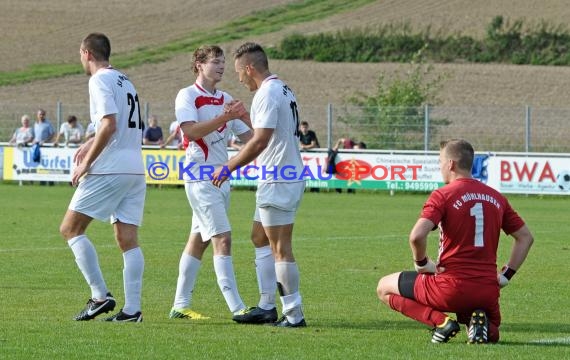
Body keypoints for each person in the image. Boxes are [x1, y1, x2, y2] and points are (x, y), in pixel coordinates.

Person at [376, 139, 533, 344]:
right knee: (491, 330)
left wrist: (422, 264)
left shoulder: (443, 195)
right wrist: (506, 276)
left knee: (383, 288)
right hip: (487, 290)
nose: (439, 166)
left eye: (440, 161)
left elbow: (417, 235)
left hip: (450, 287)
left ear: (450, 164)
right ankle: (480, 326)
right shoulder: (497, 197)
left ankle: (441, 323)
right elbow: (526, 237)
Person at [212, 42, 306, 327]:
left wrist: (228, 167)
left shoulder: (266, 92)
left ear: (249, 69)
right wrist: (242, 116)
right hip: (281, 175)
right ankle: (267, 306)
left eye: (239, 72)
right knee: (258, 237)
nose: (239, 78)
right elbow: (268, 133)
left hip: (279, 177)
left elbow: (260, 140)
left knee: (281, 248)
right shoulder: (282, 88)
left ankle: (294, 314)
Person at [59, 32, 146, 322]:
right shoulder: (125, 80)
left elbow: (109, 124)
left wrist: (87, 163)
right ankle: (132, 310)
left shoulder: (98, 80)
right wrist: (89, 143)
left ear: (87, 53)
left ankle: (99, 296)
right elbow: (115, 125)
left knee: (70, 229)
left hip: (112, 166)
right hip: (135, 167)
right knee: (127, 239)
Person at [169, 45, 253, 321]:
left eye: (223, 62)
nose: (222, 66)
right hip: (199, 177)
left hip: (221, 179)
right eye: (215, 62)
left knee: (198, 241)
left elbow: (251, 139)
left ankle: (180, 305)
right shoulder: (187, 95)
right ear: (199, 65)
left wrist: (242, 115)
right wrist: (226, 117)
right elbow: (190, 132)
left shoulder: (226, 98)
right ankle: (237, 307)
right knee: (222, 238)